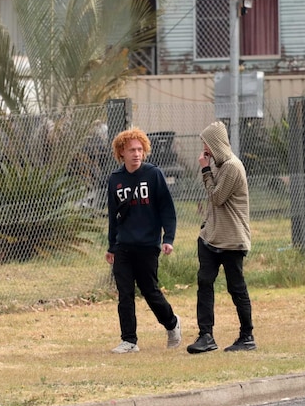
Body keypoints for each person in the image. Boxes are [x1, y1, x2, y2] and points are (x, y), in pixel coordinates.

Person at [106, 127, 181, 353]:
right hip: (123, 247)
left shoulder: (153, 174)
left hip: (148, 245)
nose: (136, 154)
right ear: (121, 153)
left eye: (140, 149)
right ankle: (129, 340)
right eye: (131, 150)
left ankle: (172, 323)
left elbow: (167, 209)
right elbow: (113, 216)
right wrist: (111, 246)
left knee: (150, 291)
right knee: (125, 294)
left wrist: (168, 238)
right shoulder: (115, 180)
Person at [186, 121, 255, 354]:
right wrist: (208, 168)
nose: (203, 147)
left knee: (236, 287)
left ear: (214, 143)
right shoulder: (218, 164)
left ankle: (247, 336)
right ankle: (206, 335)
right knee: (205, 282)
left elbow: (216, 197)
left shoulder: (233, 167)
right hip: (211, 237)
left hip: (232, 238)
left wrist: (205, 170)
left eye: (205, 142)